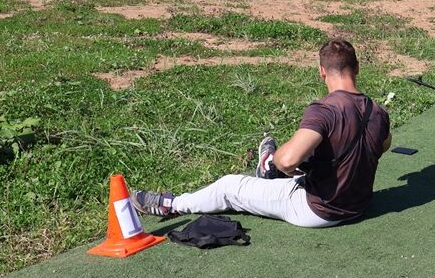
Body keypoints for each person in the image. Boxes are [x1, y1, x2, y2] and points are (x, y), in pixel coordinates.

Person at [131, 39, 392, 227]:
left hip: (318, 210)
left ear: (321, 71)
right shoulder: (379, 112)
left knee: (229, 186)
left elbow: (288, 160)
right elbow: (382, 146)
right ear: (357, 67)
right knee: (316, 156)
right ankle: (269, 169)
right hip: (358, 206)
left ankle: (172, 205)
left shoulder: (325, 110)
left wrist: (281, 161)